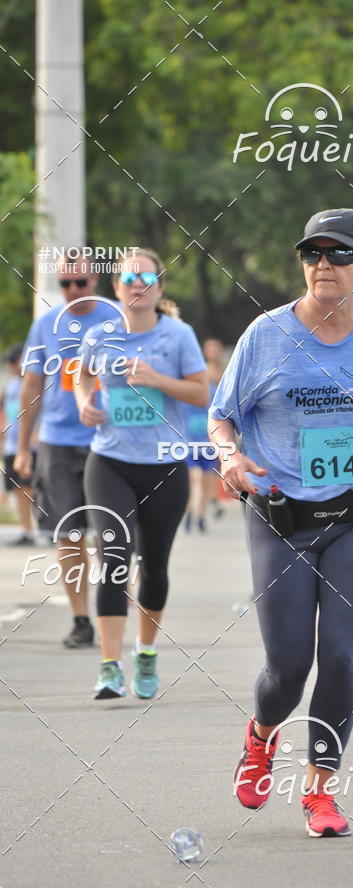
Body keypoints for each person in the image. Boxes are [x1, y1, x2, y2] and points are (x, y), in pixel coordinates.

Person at [208, 208, 353, 837]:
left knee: (339, 657)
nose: (323, 264)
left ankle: (319, 793)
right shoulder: (267, 335)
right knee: (288, 667)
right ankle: (262, 736)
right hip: (280, 514)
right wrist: (229, 457)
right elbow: (222, 416)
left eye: (340, 254)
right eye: (313, 253)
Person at [73, 248, 208, 700]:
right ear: (116, 288)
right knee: (114, 556)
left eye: (147, 277)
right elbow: (81, 376)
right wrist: (85, 403)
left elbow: (201, 394)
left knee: (154, 567)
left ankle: (145, 653)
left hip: (165, 465)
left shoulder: (179, 335)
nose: (137, 285)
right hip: (109, 461)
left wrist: (158, 380)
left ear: (159, 287)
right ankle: (109, 666)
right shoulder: (99, 335)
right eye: (129, 278)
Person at [15, 251, 108, 647]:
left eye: (80, 282)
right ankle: (81, 619)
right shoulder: (45, 324)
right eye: (65, 284)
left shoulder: (116, 317)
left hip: (108, 442)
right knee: (68, 535)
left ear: (95, 281)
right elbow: (32, 386)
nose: (73, 290)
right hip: (57, 442)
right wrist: (23, 445)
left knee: (110, 535)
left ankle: (112, 610)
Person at [181, 339, 226, 531]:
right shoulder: (186, 392)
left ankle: (199, 515)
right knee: (196, 480)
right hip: (191, 443)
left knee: (205, 481)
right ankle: (191, 514)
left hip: (206, 443)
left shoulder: (213, 392)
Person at [1, 344, 37, 545]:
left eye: (16, 361)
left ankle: (49, 527)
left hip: (34, 445)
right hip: (12, 445)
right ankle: (27, 530)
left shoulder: (36, 382)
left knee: (35, 488)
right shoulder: (11, 386)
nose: (14, 365)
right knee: (19, 488)